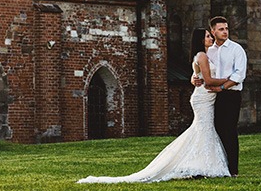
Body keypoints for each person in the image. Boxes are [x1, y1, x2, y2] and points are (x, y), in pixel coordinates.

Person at [77, 28, 230, 184]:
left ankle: (201, 164)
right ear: (200, 40)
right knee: (204, 128)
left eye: (210, 36)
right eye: (207, 36)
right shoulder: (202, 55)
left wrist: (194, 78)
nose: (210, 38)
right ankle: (205, 166)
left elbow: (197, 75)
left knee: (202, 129)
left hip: (204, 97)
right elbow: (209, 80)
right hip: (204, 98)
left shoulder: (203, 55)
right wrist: (230, 80)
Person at [197, 16, 247, 177]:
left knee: (229, 130)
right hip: (213, 97)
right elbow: (200, 69)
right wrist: (195, 78)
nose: (225, 32)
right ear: (213, 31)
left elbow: (239, 74)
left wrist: (222, 87)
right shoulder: (209, 50)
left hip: (231, 94)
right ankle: (219, 166)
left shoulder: (236, 49)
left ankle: (233, 170)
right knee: (217, 129)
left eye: (226, 29)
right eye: (221, 29)